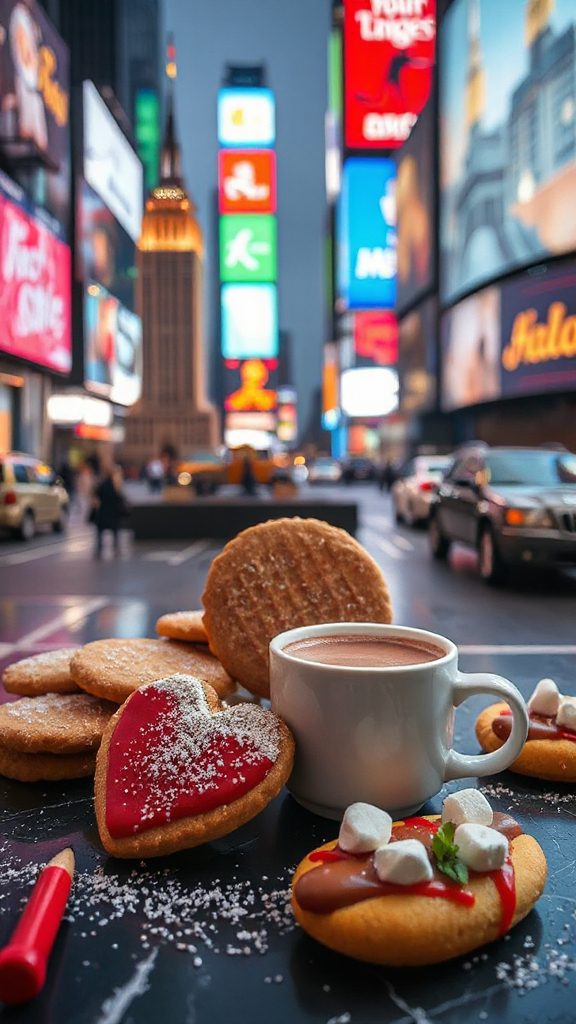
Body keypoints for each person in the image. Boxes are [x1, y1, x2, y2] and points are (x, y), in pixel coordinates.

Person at [92, 466, 128, 558]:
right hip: (113, 513)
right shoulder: (115, 486)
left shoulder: (101, 485)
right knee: (115, 532)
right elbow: (120, 498)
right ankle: (116, 548)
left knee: (100, 532)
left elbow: (95, 498)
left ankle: (99, 549)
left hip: (103, 512)